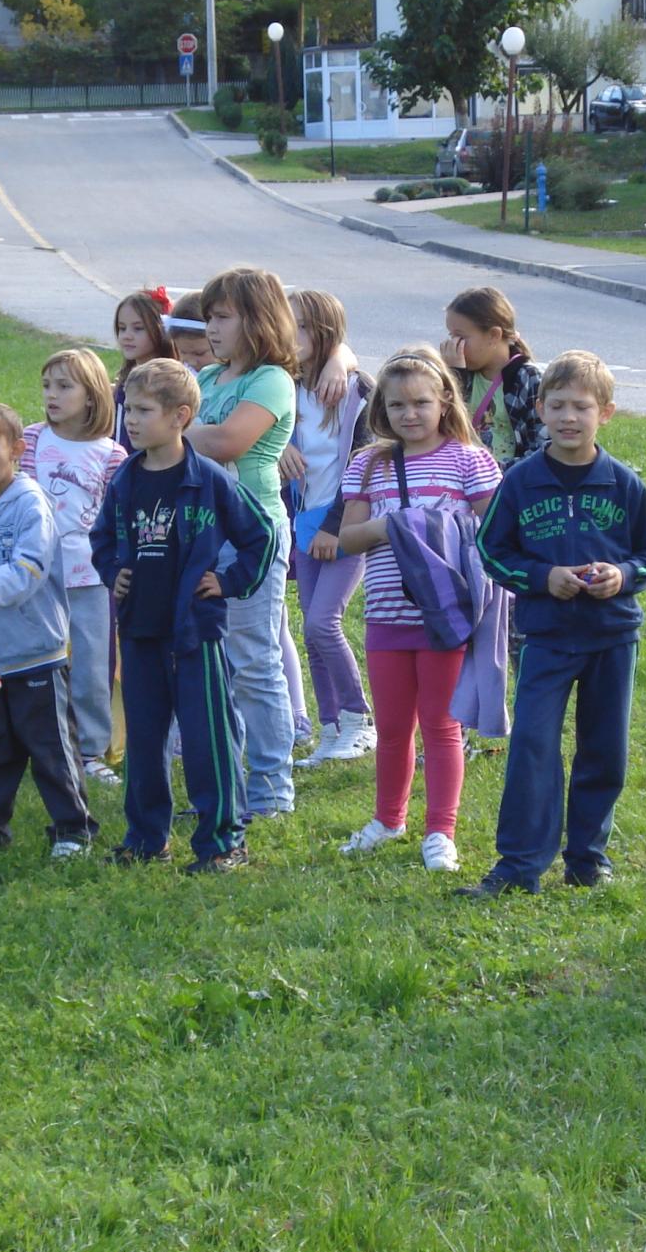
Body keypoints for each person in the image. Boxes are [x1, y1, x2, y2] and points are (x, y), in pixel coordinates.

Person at [463, 351, 646, 896]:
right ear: (540, 409)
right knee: (532, 745)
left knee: (604, 748)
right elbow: (492, 549)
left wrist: (622, 576)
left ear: (606, 413)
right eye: (557, 406)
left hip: (611, 637)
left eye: (582, 406)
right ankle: (518, 865)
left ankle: (587, 858)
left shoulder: (623, 484)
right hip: (547, 637)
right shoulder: (520, 481)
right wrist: (541, 577)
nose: (568, 417)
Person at [91, 359, 273, 873]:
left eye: (144, 411)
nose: (131, 420)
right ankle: (147, 838)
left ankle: (223, 843)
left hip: (195, 633)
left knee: (206, 739)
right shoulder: (125, 479)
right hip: (139, 629)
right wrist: (113, 573)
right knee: (144, 741)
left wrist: (229, 582)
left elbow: (260, 536)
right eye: (128, 409)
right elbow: (101, 538)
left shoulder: (209, 479)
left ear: (180, 417)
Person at [335, 348, 501, 872]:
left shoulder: (469, 460)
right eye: (397, 405)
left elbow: (495, 531)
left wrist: (440, 531)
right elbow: (347, 538)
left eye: (421, 403)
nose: (410, 414)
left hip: (445, 615)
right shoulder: (368, 464)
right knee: (391, 727)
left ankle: (441, 832)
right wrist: (396, 526)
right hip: (386, 613)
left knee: (441, 725)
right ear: (381, 409)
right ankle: (388, 820)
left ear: (445, 400)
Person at [0, 403, 97, 861]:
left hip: (37, 655)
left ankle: (73, 828)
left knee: (51, 748)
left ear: (16, 450)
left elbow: (27, 572)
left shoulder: (32, 505)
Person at [185, 266, 303, 821]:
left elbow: (229, 441)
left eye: (222, 316)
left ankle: (272, 789)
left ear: (257, 320)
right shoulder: (209, 379)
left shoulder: (271, 380)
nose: (210, 327)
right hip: (203, 537)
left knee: (254, 662)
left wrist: (172, 431)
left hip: (253, 537)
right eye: (208, 317)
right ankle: (226, 785)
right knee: (213, 666)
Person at [19, 348, 126, 785]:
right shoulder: (31, 440)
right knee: (29, 664)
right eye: (47, 385)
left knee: (90, 667)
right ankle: (23, 746)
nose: (52, 395)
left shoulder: (112, 454)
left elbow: (117, 519)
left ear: (92, 396)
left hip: (89, 578)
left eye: (64, 386)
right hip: (34, 576)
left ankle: (91, 751)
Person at [282, 288, 376, 767]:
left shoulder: (356, 390)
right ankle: (331, 726)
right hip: (305, 521)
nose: (289, 334)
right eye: (285, 323)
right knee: (311, 630)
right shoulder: (284, 384)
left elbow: (364, 464)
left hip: (346, 523)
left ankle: (360, 721)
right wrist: (280, 447)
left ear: (324, 333)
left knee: (324, 622)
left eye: (299, 326)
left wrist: (336, 527)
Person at [440, 286, 544, 467]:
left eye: (460, 337)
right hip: (463, 475)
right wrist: (454, 376)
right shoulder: (462, 375)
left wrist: (499, 472)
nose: (453, 345)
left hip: (510, 477)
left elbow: (542, 445)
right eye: (451, 336)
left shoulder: (528, 379)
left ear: (494, 335)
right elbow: (442, 429)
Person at [112, 288, 177, 453]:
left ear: (161, 329)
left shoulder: (168, 380)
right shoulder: (125, 378)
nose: (127, 336)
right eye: (122, 328)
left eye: (138, 328)